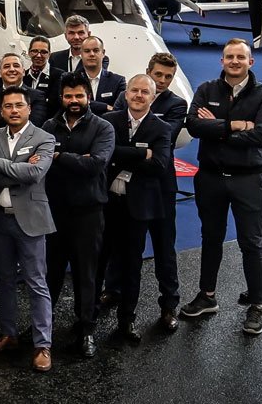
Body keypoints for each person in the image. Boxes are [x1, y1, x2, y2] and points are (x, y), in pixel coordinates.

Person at [180, 38, 262, 335]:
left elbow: (261, 136)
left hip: (248, 179)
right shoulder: (206, 89)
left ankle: (257, 304)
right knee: (211, 237)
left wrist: (217, 127)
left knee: (251, 242)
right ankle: (207, 295)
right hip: (210, 177)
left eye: (240, 57)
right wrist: (235, 125)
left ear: (251, 62)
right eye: (229, 56)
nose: (234, 61)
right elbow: (193, 125)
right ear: (222, 60)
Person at [100, 52, 189, 328]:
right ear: (149, 71)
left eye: (168, 77)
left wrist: (122, 153)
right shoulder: (128, 95)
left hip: (160, 187)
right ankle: (113, 289)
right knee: (121, 244)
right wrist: (141, 152)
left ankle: (169, 304)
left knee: (164, 247)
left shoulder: (177, 104)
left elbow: (165, 141)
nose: (162, 80)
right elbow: (111, 141)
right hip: (124, 188)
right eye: (158, 74)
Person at [0, 86, 56, 373]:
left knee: (36, 282)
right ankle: (8, 334)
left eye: (19, 105)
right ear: (1, 111)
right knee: (4, 280)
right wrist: (18, 167)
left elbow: (35, 173)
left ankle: (42, 345)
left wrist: (1, 164)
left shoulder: (45, 138)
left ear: (28, 109)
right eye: (8, 106)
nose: (14, 110)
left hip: (31, 220)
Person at [41, 71, 115, 358]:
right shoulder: (49, 126)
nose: (74, 100)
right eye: (68, 96)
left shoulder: (103, 128)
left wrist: (59, 157)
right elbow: (41, 163)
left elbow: (95, 165)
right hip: (55, 210)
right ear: (61, 97)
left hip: (89, 212)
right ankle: (43, 326)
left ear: (89, 96)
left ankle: (86, 330)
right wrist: (77, 160)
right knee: (51, 272)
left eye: (79, 96)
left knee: (87, 273)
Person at [0, 53, 48, 134]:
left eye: (16, 66)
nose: (11, 69)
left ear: (23, 72)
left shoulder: (37, 96)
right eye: (6, 66)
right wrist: (20, 118)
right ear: (0, 73)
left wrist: (0, 117)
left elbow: (36, 122)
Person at [78, 36, 125, 116]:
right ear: (81, 54)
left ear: (103, 53)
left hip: (108, 123)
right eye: (87, 51)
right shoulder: (71, 79)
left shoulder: (118, 81)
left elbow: (119, 110)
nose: (92, 54)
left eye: (96, 50)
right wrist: (105, 106)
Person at [23, 36, 63, 119]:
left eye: (43, 52)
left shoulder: (60, 76)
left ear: (49, 54)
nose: (38, 55)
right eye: (34, 51)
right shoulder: (23, 76)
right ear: (29, 53)